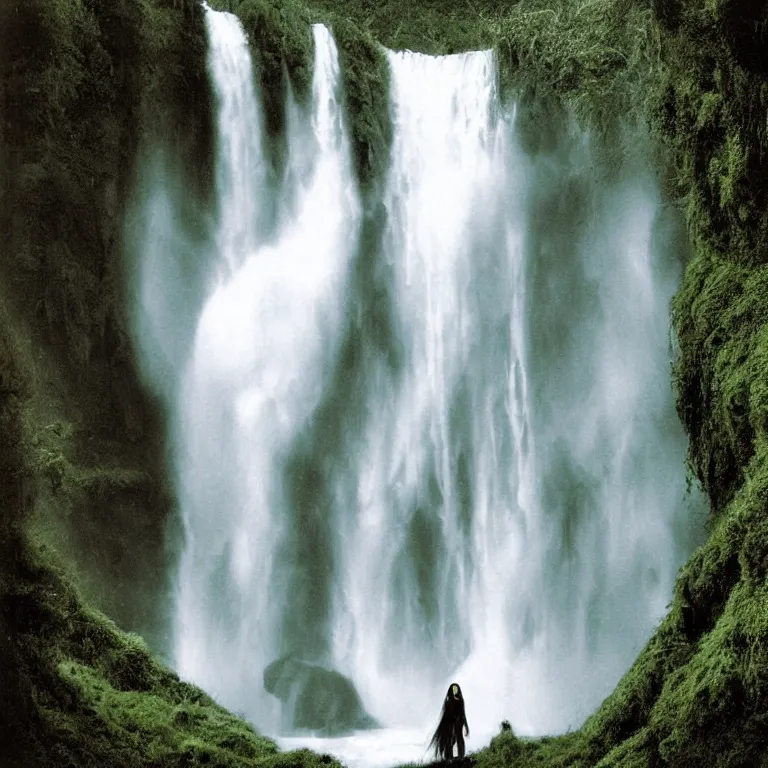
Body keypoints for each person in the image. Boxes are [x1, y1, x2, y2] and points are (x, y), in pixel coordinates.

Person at [429, 683, 470, 761]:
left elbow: (462, 713)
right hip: (452, 720)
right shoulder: (451, 700)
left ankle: (459, 755)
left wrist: (465, 724)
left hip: (457, 721)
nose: (455, 691)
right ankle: (451, 756)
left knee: (457, 738)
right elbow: (451, 712)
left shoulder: (458, 700)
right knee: (452, 738)